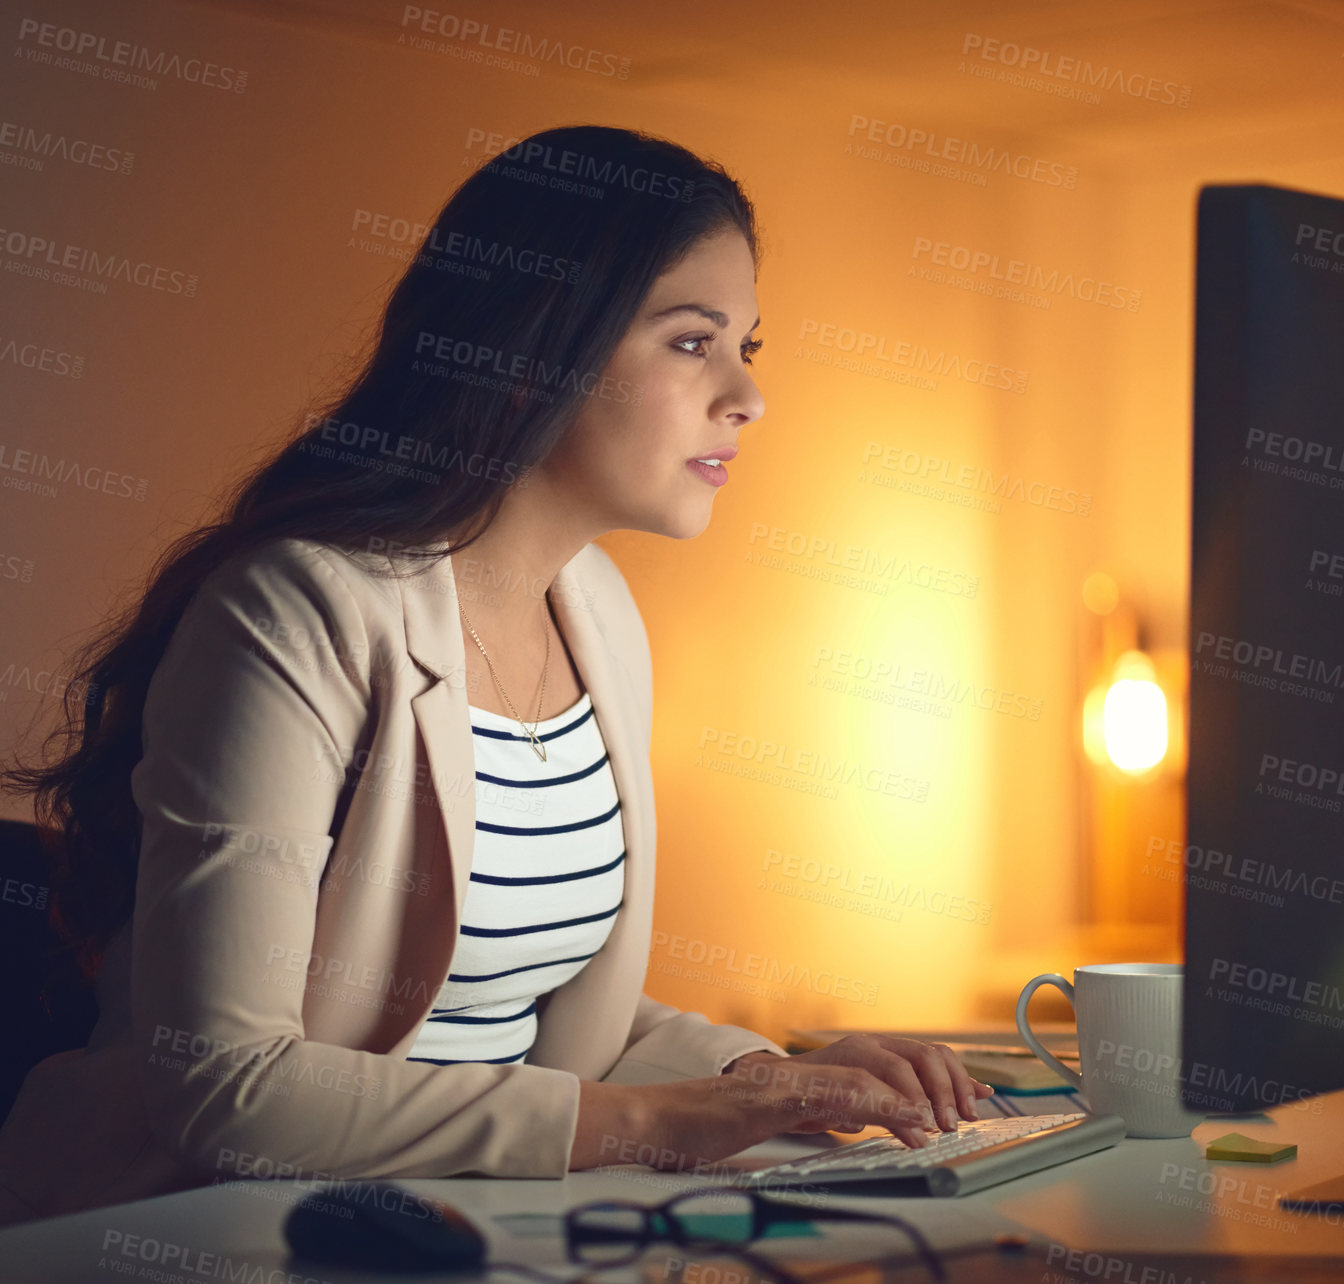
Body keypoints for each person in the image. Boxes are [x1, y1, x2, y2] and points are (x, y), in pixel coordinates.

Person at [0, 125, 991, 1226]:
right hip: (177, 1240)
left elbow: (549, 1025)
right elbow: (228, 1090)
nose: (746, 396)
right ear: (536, 345)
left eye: (748, 346)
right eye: (690, 342)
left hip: (459, 1230)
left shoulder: (599, 610)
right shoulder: (296, 612)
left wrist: (770, 1076)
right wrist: (656, 1127)